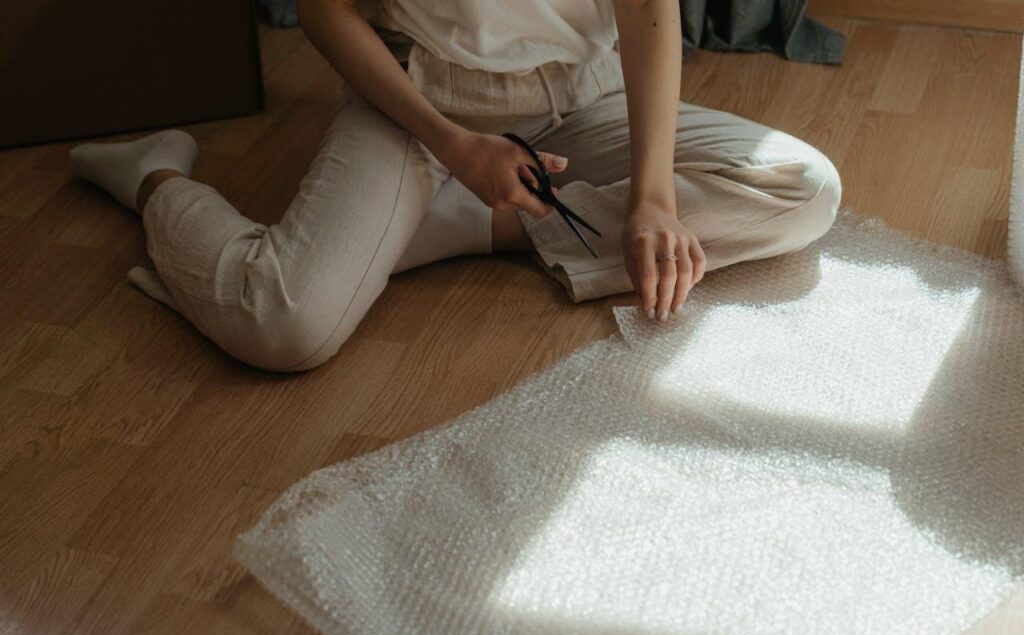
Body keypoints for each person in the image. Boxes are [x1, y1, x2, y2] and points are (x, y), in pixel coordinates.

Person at [68, 0, 841, 372]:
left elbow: (649, 13)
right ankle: (155, 177)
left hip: (584, 95)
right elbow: (323, 9)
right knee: (283, 326)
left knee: (804, 188)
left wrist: (653, 199)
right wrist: (452, 144)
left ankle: (469, 225)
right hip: (423, 105)